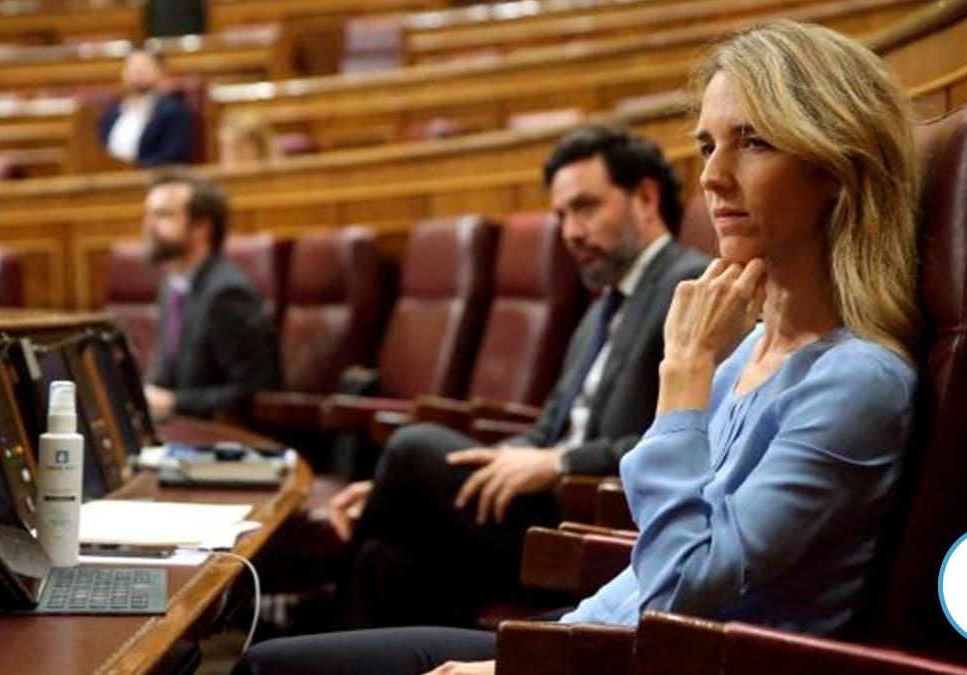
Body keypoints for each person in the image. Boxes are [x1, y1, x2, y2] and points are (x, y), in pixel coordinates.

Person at [233, 18, 922, 675]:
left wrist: (681, 375)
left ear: (836, 166)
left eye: (755, 141)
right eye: (708, 144)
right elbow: (648, 574)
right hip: (596, 631)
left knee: (280, 656)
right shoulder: (751, 352)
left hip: (646, 659)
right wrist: (539, 647)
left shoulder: (857, 379)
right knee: (305, 634)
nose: (711, 176)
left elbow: (681, 589)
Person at [327, 125, 710, 629]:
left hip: (592, 518)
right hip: (542, 504)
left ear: (645, 197)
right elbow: (549, 426)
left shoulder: (691, 291)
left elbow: (687, 442)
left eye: (586, 207)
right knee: (385, 559)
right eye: (561, 215)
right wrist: (510, 458)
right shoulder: (601, 308)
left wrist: (559, 461)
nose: (571, 232)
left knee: (410, 446)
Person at [142, 169, 279, 420]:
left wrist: (175, 402)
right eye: (148, 214)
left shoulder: (227, 294)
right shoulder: (171, 287)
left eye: (163, 215)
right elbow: (166, 374)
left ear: (201, 227)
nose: (148, 226)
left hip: (228, 438)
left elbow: (255, 391)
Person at [98, 48, 195, 167]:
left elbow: (174, 155)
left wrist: (133, 168)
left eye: (144, 65)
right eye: (132, 66)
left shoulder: (174, 111)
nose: (137, 71)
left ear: (160, 71)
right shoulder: (111, 113)